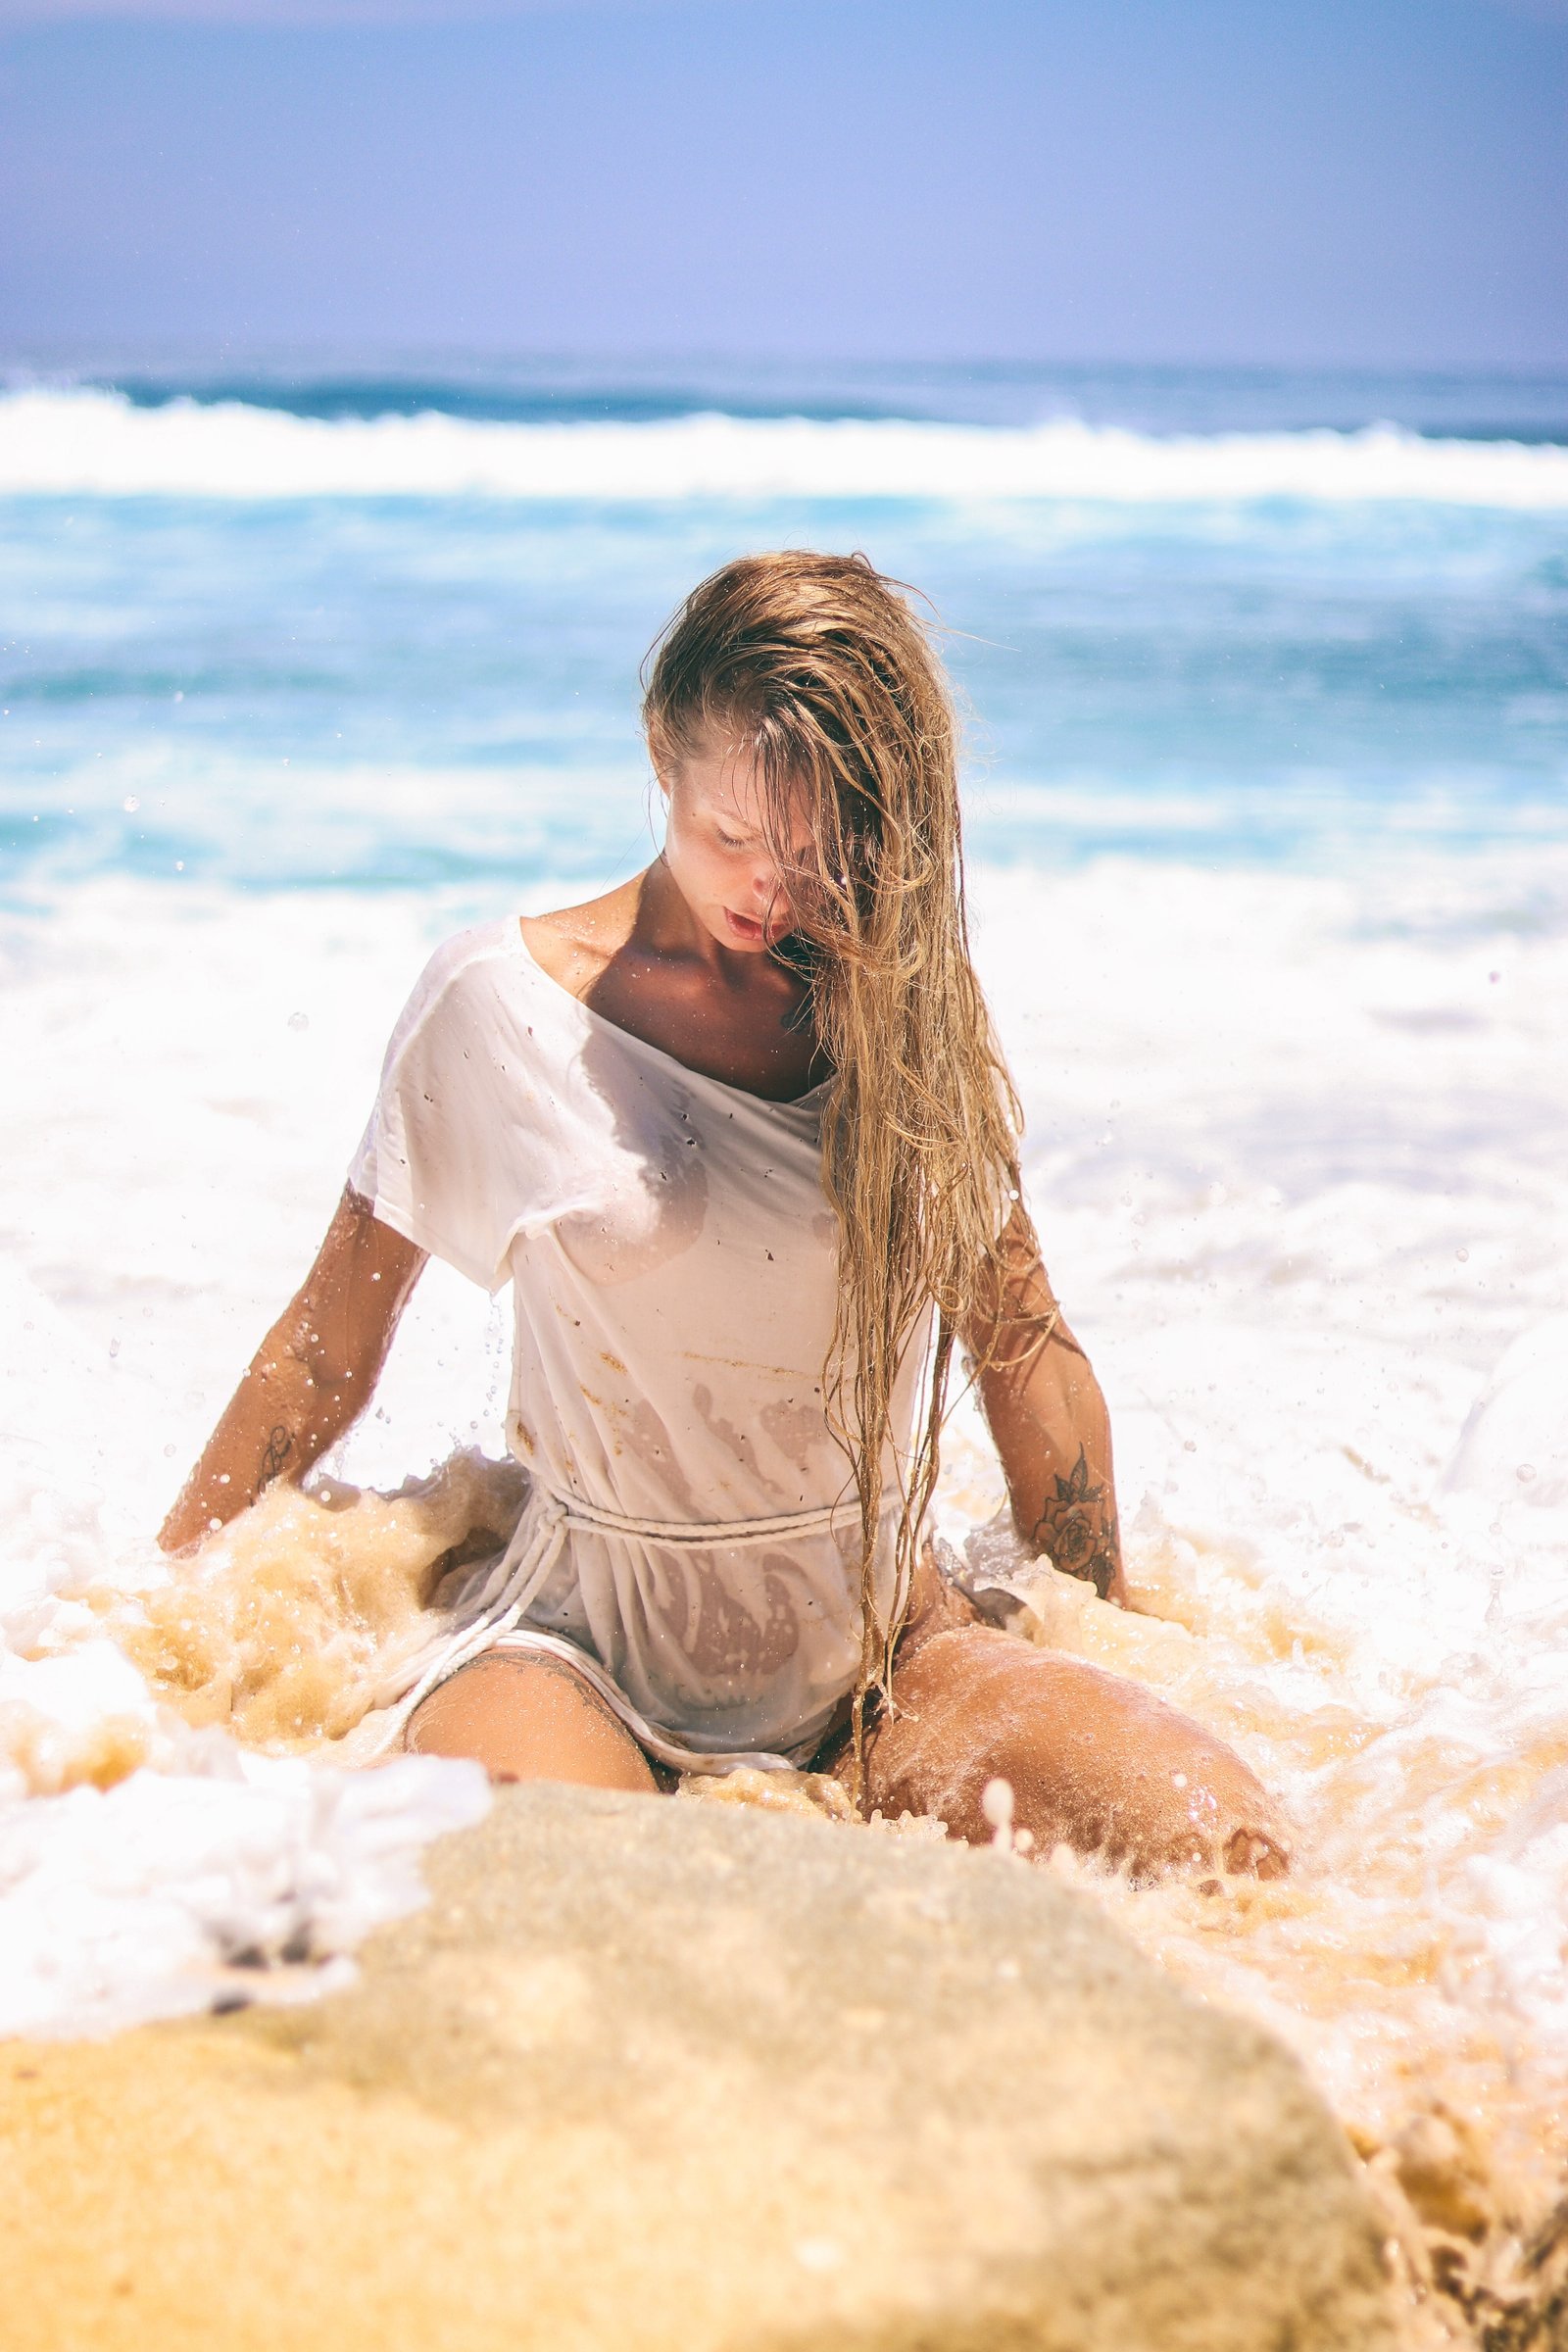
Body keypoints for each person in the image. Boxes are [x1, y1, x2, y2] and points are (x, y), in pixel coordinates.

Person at [161, 552, 1286, 1883]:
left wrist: (1103, 1630)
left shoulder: (903, 1004)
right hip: (584, 1652)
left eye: (818, 851)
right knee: (539, 1882)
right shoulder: (498, 1006)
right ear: (661, 756)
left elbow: (1023, 1343)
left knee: (1225, 1848)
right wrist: (161, 1627)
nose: (774, 890)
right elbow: (325, 1349)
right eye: (734, 838)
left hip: (884, 1653)